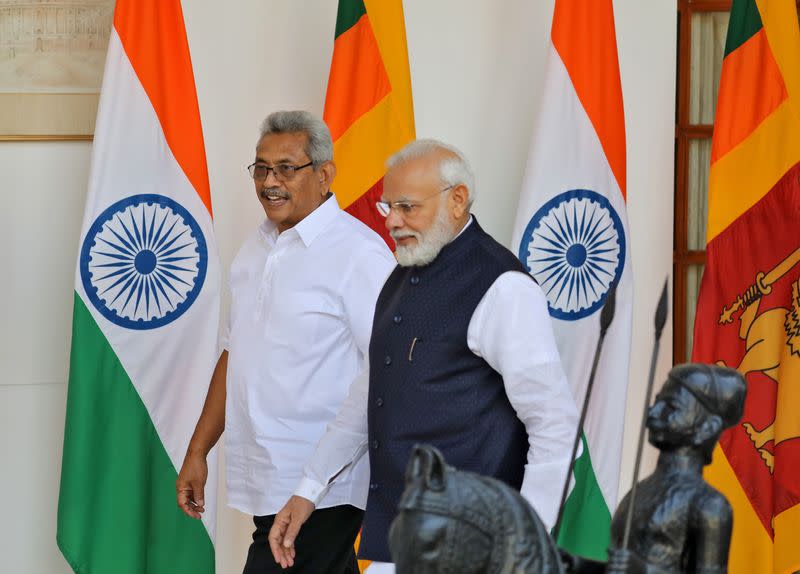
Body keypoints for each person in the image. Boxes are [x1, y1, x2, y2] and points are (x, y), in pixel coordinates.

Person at [269, 139, 579, 572]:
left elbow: (556, 426)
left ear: (457, 200)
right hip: (399, 544)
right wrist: (308, 489)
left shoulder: (503, 287)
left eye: (406, 207)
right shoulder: (399, 276)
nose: (392, 222)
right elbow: (368, 396)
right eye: (386, 207)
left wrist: (527, 542)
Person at [175, 111, 396, 574]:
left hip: (324, 487)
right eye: (261, 168)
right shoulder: (256, 248)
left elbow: (390, 368)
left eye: (286, 168)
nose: (269, 182)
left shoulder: (359, 254)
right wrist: (198, 449)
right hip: (267, 475)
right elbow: (235, 355)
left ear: (324, 175)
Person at [563, 363, 747, 574]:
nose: (653, 412)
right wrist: (576, 565)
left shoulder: (709, 505)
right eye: (658, 402)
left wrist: (645, 571)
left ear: (707, 427)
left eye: (671, 406)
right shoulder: (639, 491)